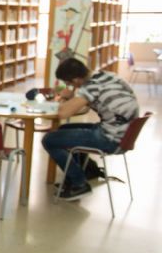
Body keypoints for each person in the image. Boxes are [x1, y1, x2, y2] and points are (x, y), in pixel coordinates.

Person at [42, 57, 139, 200]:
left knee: (49, 140)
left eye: (68, 83)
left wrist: (63, 98)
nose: (69, 86)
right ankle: (86, 171)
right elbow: (88, 103)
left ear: (75, 80)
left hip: (112, 139)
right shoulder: (106, 75)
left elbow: (63, 113)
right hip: (123, 133)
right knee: (63, 130)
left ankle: (79, 183)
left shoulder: (91, 86)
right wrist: (74, 97)